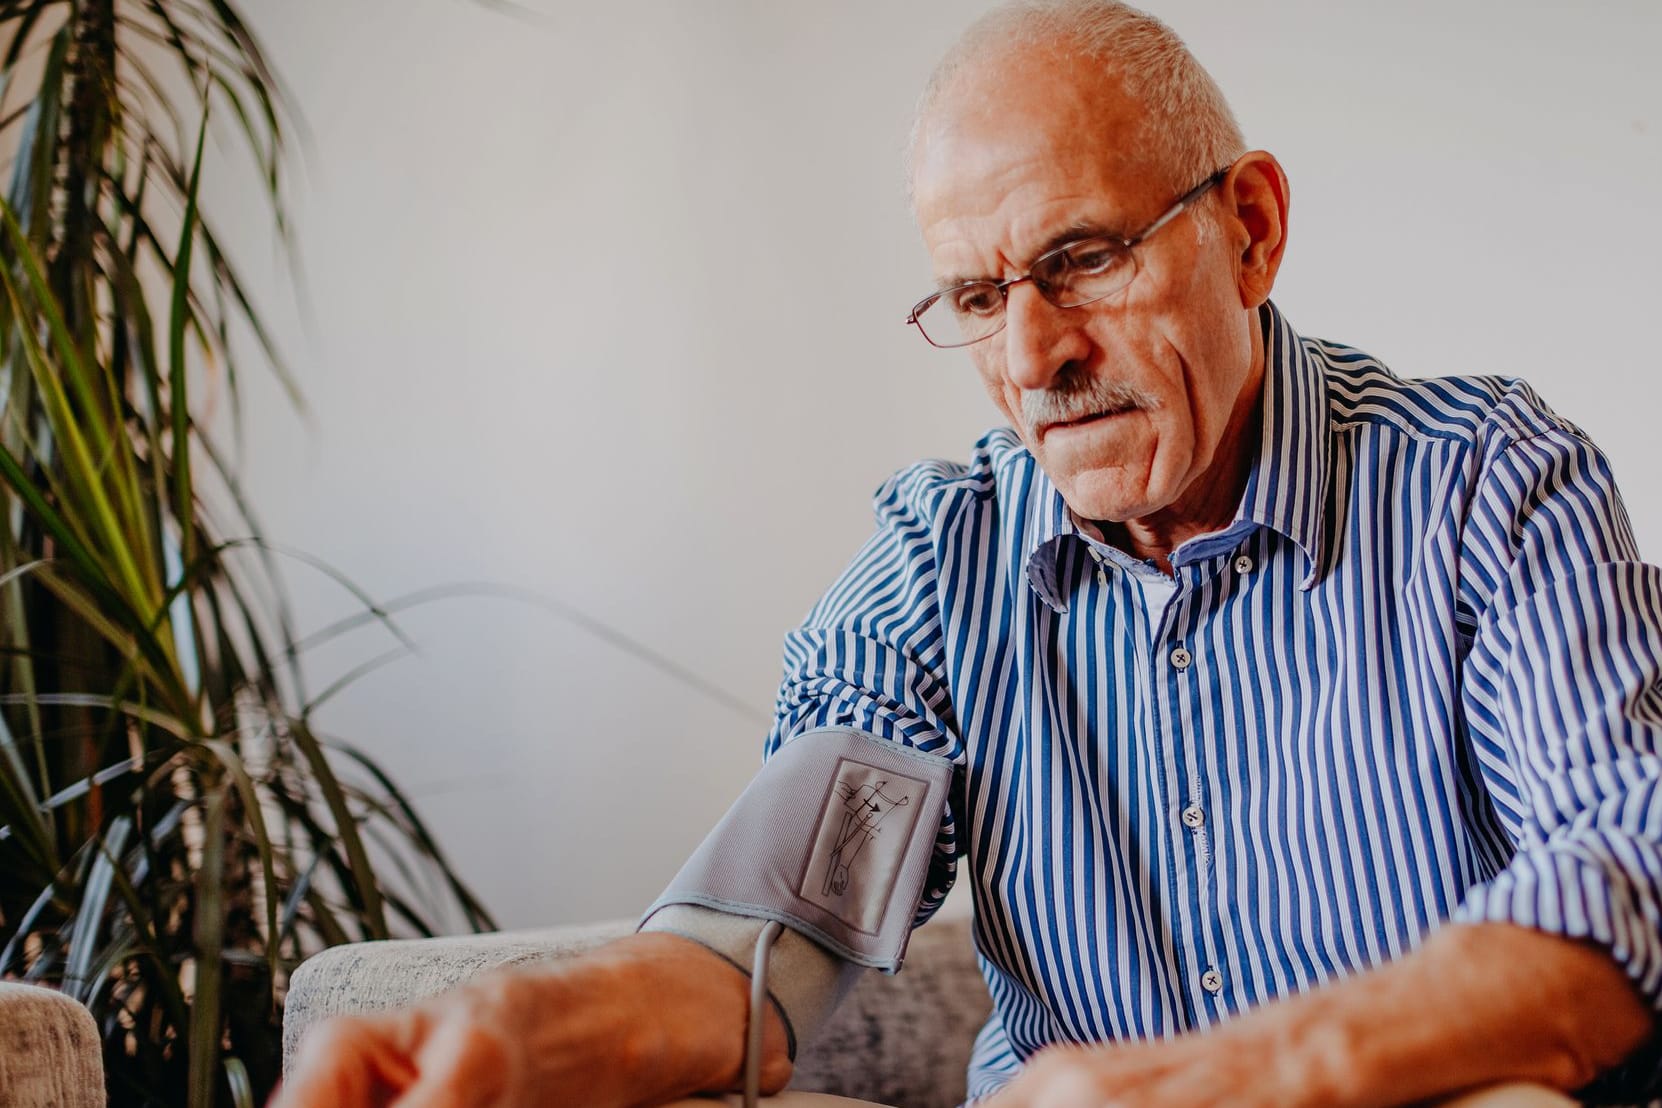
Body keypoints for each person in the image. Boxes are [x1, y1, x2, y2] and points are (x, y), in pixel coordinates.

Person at [275, 2, 1662, 1105]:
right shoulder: (941, 561)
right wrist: (524, 1038)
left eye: (1083, 258)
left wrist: (1228, 1083)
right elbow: (758, 951)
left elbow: (1620, 888)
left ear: (1248, 230)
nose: (1032, 355)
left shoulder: (1481, 483)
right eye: (977, 296)